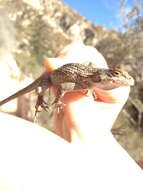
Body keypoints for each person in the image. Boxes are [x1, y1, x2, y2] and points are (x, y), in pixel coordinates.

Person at [0, 41, 142, 190]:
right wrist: (57, 100)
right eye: (116, 75)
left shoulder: (89, 84)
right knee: (38, 90)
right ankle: (40, 98)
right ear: (100, 75)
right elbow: (62, 86)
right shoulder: (84, 83)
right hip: (49, 78)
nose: (119, 80)